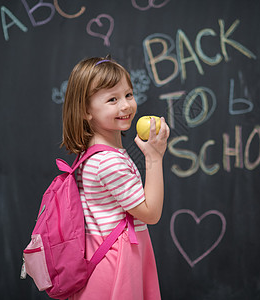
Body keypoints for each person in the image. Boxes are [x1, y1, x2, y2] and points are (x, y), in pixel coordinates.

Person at [61, 56, 170, 299]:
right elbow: (150, 213)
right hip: (116, 264)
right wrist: (154, 158)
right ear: (85, 111)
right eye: (112, 99)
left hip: (104, 256)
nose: (126, 106)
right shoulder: (110, 162)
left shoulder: (93, 155)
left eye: (128, 95)